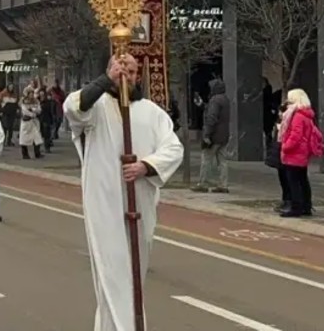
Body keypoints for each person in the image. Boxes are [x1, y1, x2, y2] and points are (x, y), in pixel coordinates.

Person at [63, 54, 183, 331]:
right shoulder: (97, 107)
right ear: (109, 72)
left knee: (133, 274)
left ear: (137, 76)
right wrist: (106, 82)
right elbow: (73, 109)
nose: (126, 76)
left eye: (131, 71)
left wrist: (146, 166)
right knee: (111, 271)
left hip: (140, 202)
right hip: (104, 202)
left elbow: (173, 148)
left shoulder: (152, 112)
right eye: (120, 70)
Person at [278, 88, 320, 218]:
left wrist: (285, 146)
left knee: (294, 181)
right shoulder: (306, 115)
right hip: (302, 152)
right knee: (302, 179)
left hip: (294, 152)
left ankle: (296, 207)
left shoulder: (297, 116)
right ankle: (306, 206)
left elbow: (295, 135)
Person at [193, 79, 230, 193]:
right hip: (224, 135)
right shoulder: (225, 99)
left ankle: (203, 183)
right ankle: (223, 184)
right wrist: (204, 105)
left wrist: (207, 135)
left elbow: (212, 118)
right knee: (222, 161)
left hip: (214, 135)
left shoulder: (214, 100)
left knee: (206, 159)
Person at [19, 89, 44, 159]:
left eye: (32, 94)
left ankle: (37, 153)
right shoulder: (24, 102)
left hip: (34, 122)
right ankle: (25, 154)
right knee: (24, 139)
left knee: (37, 138)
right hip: (26, 122)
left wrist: (34, 110)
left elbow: (39, 109)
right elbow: (24, 111)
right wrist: (32, 114)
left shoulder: (36, 101)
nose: (32, 95)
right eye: (30, 94)